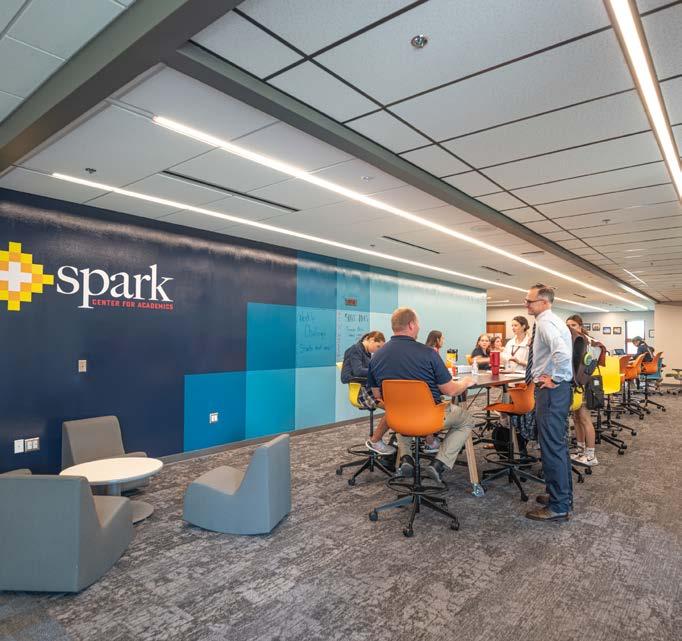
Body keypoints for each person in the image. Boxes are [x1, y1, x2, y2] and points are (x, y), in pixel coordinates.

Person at [367, 308, 476, 483]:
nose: (418, 328)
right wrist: (466, 382)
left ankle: (406, 458)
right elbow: (450, 391)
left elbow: (378, 395)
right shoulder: (428, 353)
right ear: (411, 325)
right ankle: (439, 463)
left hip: (398, 418)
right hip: (430, 418)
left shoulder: (376, 356)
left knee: (403, 410)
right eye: (417, 324)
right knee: (467, 420)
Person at [523, 284, 574, 522]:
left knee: (552, 448)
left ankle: (559, 506)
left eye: (530, 301)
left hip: (552, 392)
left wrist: (556, 377)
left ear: (544, 302)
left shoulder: (545, 323)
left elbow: (562, 353)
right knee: (558, 446)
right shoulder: (553, 321)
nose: (526, 304)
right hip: (557, 392)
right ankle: (561, 497)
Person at [340, 331, 395, 456]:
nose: (378, 350)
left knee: (396, 403)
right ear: (371, 340)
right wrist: (379, 371)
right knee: (394, 409)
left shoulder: (366, 353)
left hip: (367, 387)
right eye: (378, 346)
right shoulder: (355, 350)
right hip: (361, 391)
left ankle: (396, 439)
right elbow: (358, 371)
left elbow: (369, 371)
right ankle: (376, 441)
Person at [566, 315, 599, 467]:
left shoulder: (587, 341)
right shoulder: (572, 341)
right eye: (568, 325)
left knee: (585, 419)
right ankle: (580, 451)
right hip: (575, 385)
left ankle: (591, 455)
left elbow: (588, 366)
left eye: (573, 325)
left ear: (580, 326)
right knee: (576, 418)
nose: (570, 328)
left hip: (584, 385)